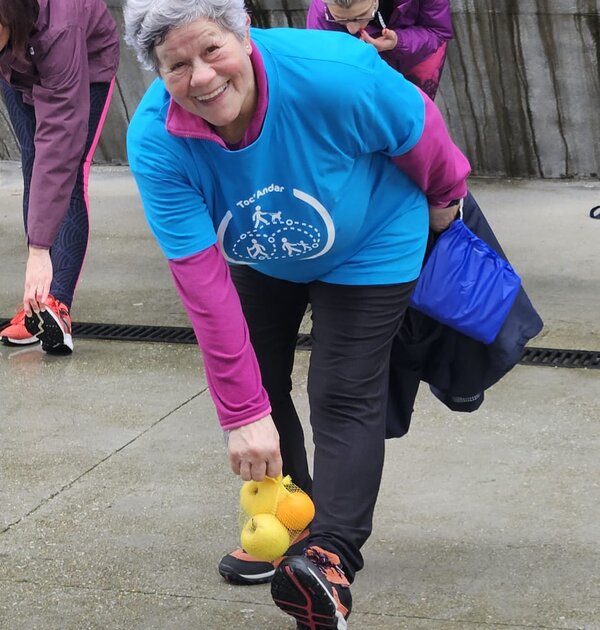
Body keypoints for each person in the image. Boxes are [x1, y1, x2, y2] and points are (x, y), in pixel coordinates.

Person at [123, 0, 469, 626]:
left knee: (341, 388)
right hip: (261, 247)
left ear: (242, 33)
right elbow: (203, 286)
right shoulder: (156, 142)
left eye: (211, 50)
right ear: (157, 72)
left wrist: (446, 199)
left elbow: (419, 127)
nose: (202, 77)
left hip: (372, 237)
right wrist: (242, 413)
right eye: (176, 65)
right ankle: (291, 516)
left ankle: (329, 555)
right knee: (257, 379)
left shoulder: (333, 71)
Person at [0, 0, 119, 354]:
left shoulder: (61, 27)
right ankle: (34, 306)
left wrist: (38, 251)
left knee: (63, 171)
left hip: (83, 61)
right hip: (15, 57)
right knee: (32, 164)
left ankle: (55, 303)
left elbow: (59, 149)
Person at [306, 0, 453, 100]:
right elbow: (324, 71)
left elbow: (438, 31)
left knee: (419, 112)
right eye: (339, 19)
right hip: (364, 72)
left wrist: (399, 42)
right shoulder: (321, 10)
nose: (352, 30)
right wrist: (352, 59)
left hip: (419, 55)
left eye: (360, 17)